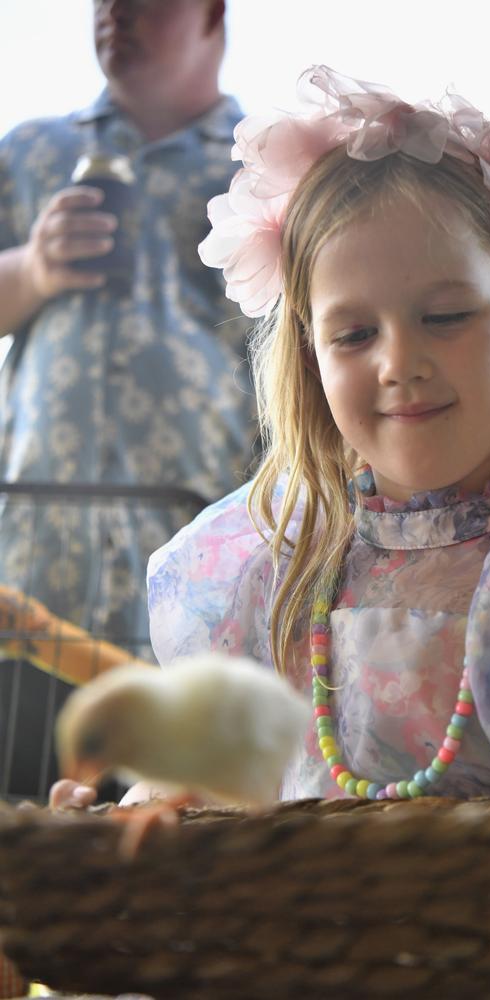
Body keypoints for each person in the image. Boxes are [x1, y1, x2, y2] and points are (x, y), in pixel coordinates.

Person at [63, 66, 490, 996]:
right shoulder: (268, 563)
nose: (401, 363)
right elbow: (213, 796)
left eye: (446, 316)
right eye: (352, 334)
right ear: (309, 354)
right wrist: (122, 831)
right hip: (295, 955)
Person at [0, 0, 257, 797]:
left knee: (173, 876)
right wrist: (32, 271)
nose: (116, 12)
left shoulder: (264, 169)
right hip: (30, 576)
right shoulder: (33, 151)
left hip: (202, 595)